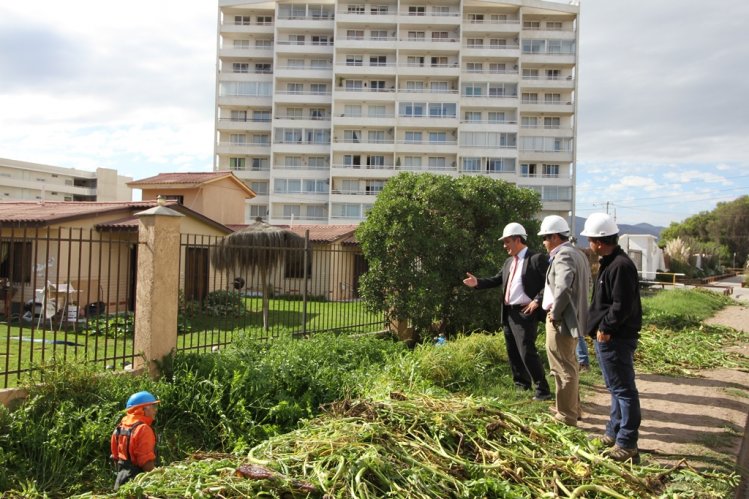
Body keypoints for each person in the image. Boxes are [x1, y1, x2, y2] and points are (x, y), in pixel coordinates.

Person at [463, 222, 552, 401]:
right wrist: (478, 283)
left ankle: (543, 389)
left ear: (518, 240)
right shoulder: (509, 261)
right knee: (513, 350)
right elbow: (497, 279)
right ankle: (522, 384)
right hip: (508, 312)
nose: (505, 246)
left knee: (527, 350)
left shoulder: (536, 259)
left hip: (525, 312)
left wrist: (537, 300)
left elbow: (550, 282)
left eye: (507, 242)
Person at [582, 212, 642, 463]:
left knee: (624, 390)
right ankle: (613, 432)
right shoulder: (611, 262)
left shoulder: (620, 265)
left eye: (591, 240)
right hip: (610, 337)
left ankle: (627, 443)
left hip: (614, 338)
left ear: (599, 241)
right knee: (615, 388)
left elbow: (621, 305)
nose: (589, 245)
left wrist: (605, 328)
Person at [538, 215, 590, 426]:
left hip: (563, 321)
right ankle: (570, 408)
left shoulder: (564, 255)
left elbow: (563, 287)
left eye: (545, 237)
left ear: (556, 237)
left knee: (563, 368)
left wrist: (555, 314)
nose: (543, 242)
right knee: (570, 364)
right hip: (574, 319)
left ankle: (566, 415)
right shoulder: (578, 254)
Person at [111, 390, 160, 490]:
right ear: (142, 409)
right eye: (153, 407)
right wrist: (159, 479)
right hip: (138, 483)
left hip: (121, 479)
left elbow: (115, 456)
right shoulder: (143, 429)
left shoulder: (120, 427)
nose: (156, 410)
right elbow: (146, 462)